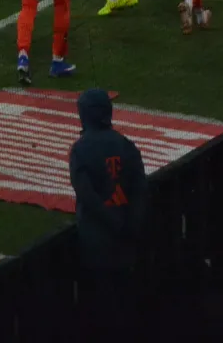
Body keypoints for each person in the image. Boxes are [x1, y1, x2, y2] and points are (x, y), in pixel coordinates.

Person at [69, 88, 148, 340]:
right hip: (127, 239)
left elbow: (87, 196)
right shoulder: (126, 145)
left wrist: (112, 222)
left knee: (103, 310)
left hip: (97, 242)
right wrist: (130, 223)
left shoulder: (80, 149)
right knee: (128, 302)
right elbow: (140, 189)